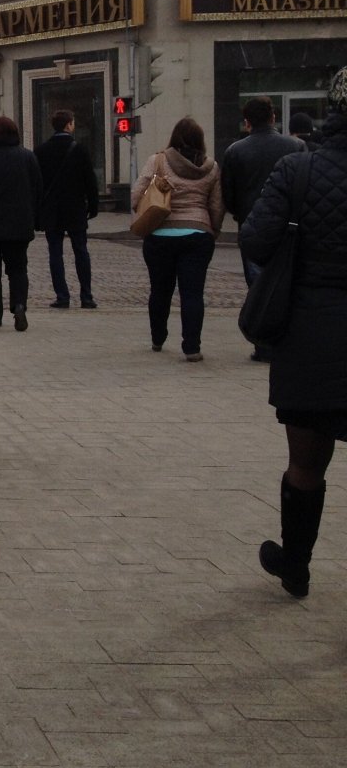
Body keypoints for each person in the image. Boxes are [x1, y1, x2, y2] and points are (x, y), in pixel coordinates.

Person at [241, 66, 347, 598]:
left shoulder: (297, 169)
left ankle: (296, 566)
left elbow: (255, 241)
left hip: (311, 332)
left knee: (307, 460)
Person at [131, 118, 224, 362]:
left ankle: (158, 338)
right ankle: (192, 347)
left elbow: (136, 194)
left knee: (160, 290)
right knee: (192, 293)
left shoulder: (158, 160)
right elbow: (216, 206)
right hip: (198, 234)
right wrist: (213, 229)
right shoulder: (212, 168)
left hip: (160, 235)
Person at [220, 96, 304, 287]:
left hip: (252, 225)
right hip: (289, 226)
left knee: (258, 290)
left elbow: (228, 195)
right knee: (289, 286)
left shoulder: (235, 151)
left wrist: (241, 213)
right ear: (273, 118)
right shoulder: (296, 146)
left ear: (247, 122)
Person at [0, 116, 43, 331]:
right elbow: (37, 189)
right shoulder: (27, 157)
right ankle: (19, 305)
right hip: (20, 225)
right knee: (18, 269)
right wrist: (34, 217)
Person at [34, 110, 99, 309]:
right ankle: (86, 296)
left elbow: (37, 184)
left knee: (55, 253)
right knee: (81, 250)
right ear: (69, 125)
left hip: (52, 210)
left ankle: (62, 296)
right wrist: (93, 206)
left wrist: (38, 211)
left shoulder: (41, 150)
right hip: (76, 208)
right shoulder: (80, 150)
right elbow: (91, 181)